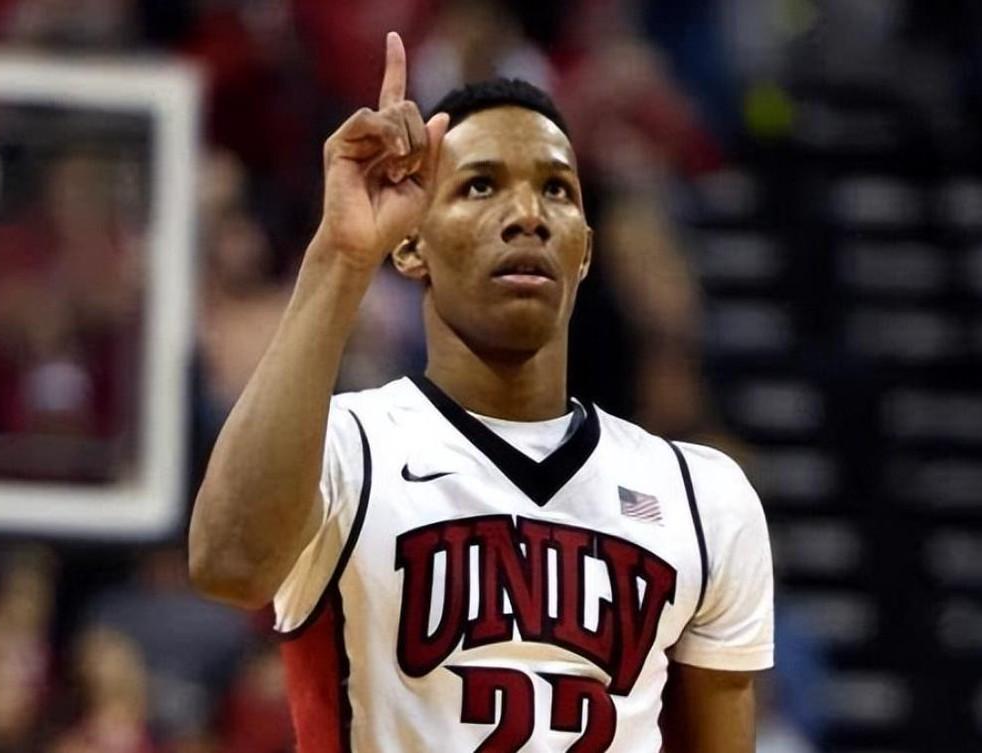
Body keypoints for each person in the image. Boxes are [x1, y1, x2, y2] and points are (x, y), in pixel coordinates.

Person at [189, 31, 773, 753]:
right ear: (411, 244)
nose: (528, 214)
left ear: (584, 250)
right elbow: (228, 564)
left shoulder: (703, 496)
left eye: (556, 189)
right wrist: (341, 254)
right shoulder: (343, 448)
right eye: (480, 185)